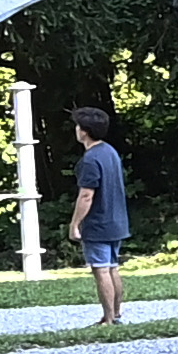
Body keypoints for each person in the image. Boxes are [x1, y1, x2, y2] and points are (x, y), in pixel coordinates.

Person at [67, 104, 133, 329]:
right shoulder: (110, 152)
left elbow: (86, 196)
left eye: (78, 126)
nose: (76, 130)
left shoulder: (89, 160)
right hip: (117, 221)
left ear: (84, 131)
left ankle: (108, 318)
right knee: (112, 267)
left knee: (101, 269)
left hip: (99, 223)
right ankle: (116, 314)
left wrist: (75, 224)